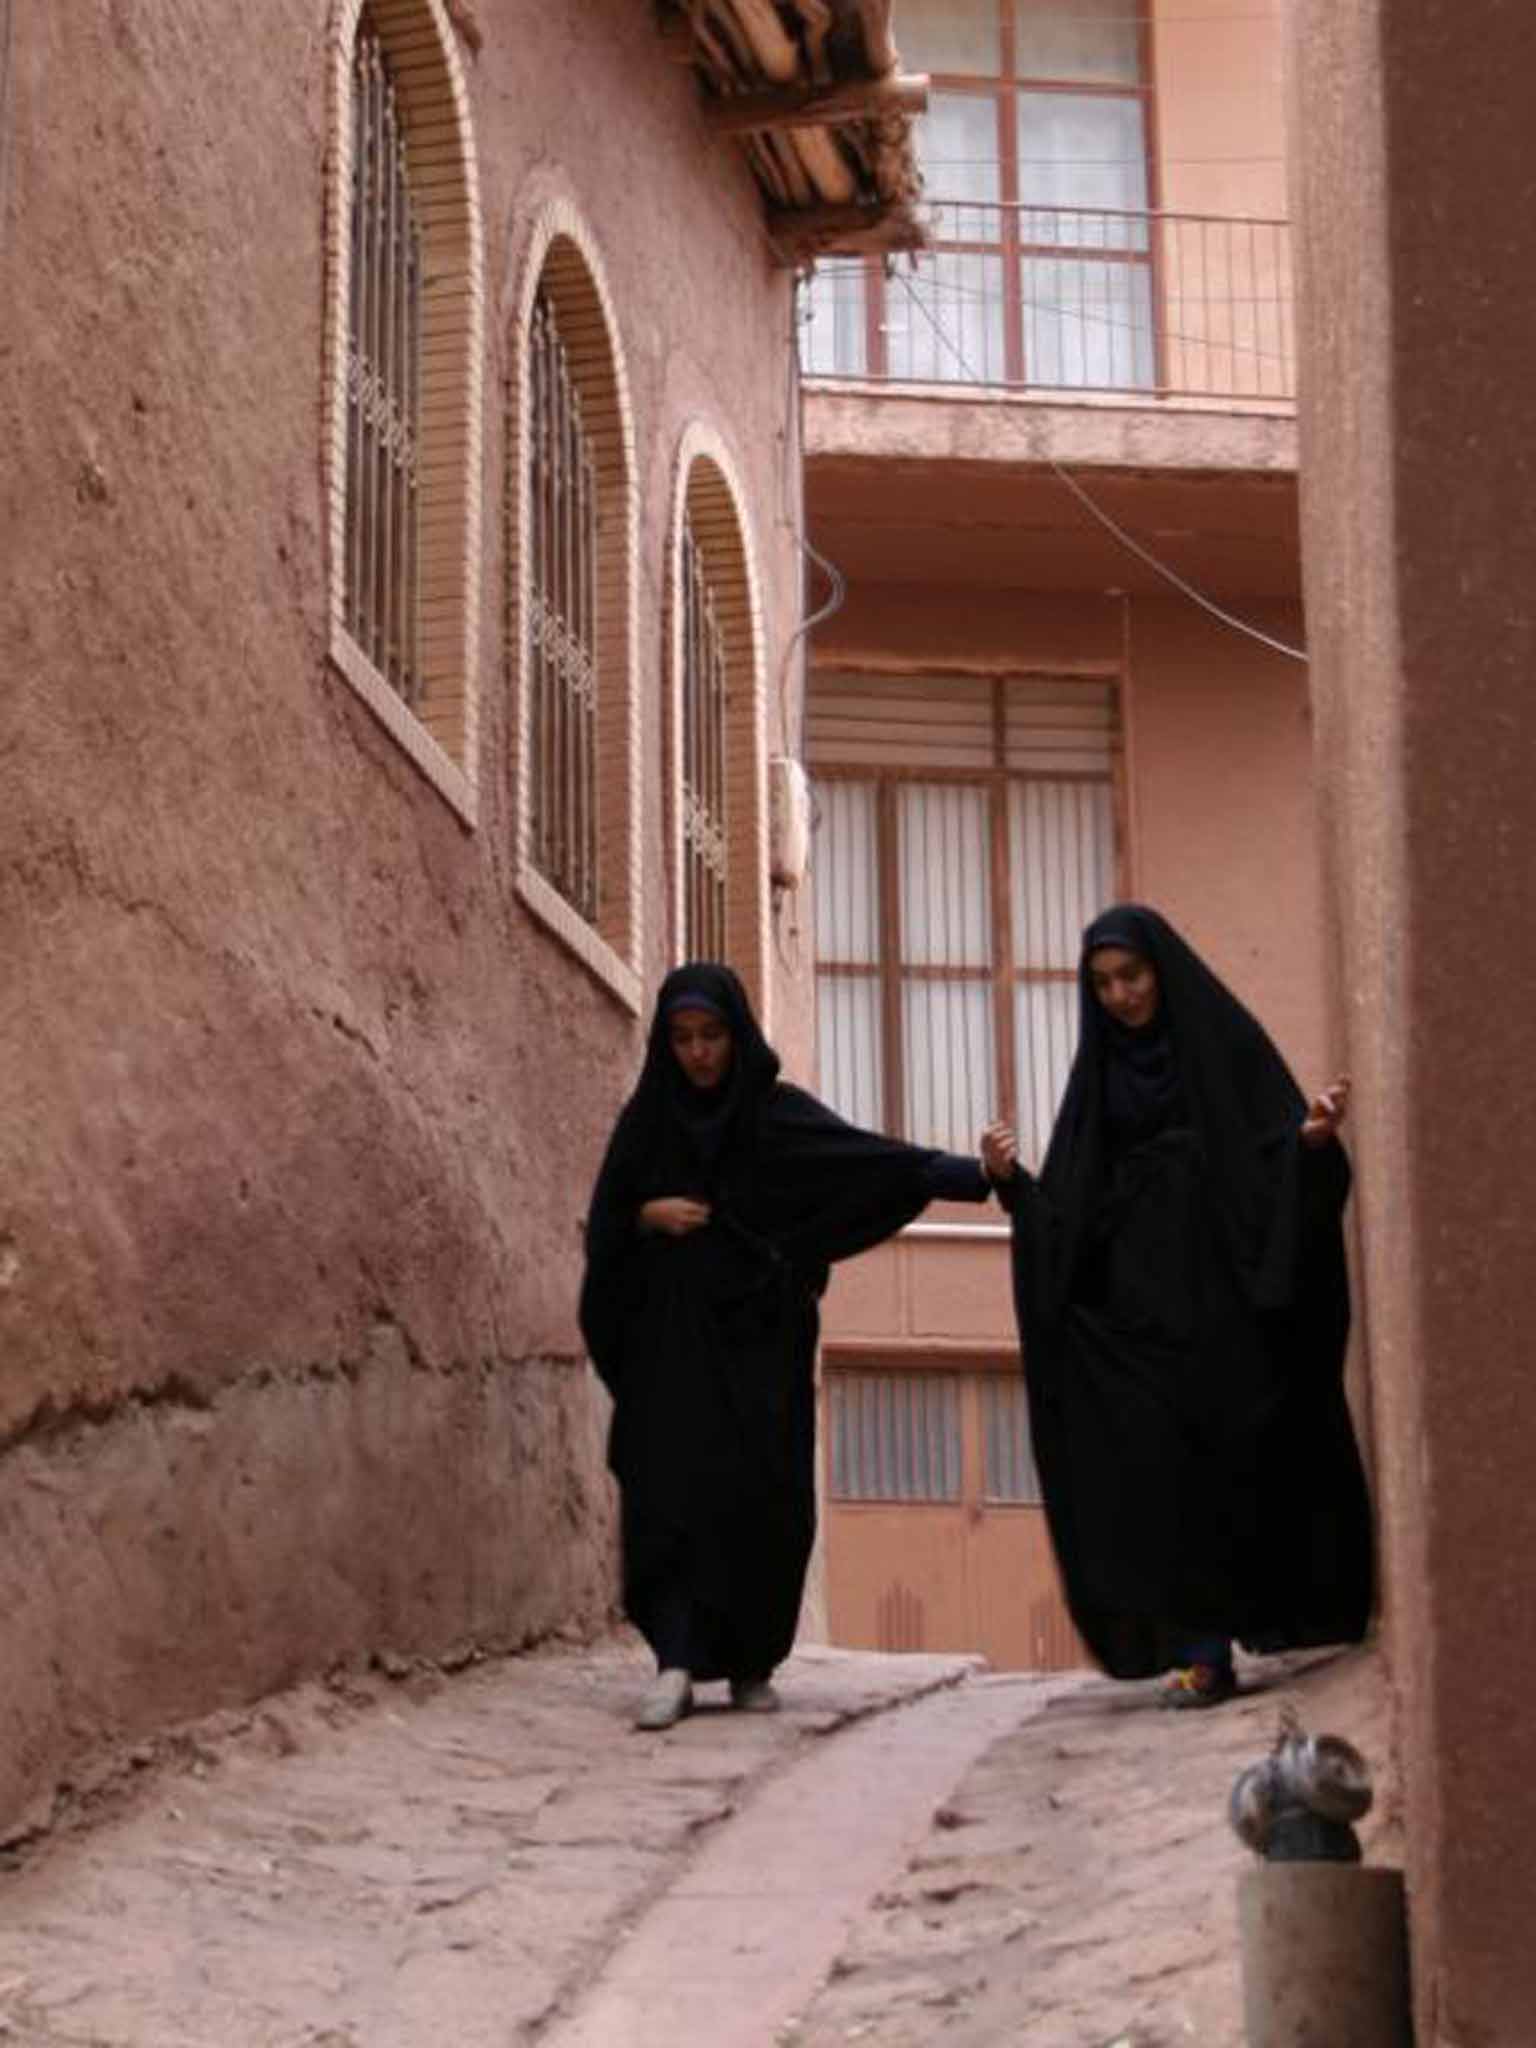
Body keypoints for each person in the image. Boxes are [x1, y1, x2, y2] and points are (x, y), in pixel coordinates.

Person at [581, 962, 994, 1730]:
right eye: (683, 1039)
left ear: (738, 1037)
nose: (699, 1054)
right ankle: (674, 1660)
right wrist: (648, 1217)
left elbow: (872, 1165)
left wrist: (978, 1177)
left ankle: (748, 1661)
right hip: (674, 1349)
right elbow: (604, 1232)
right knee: (669, 1491)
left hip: (760, 1350)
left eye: (712, 1037)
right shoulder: (649, 1126)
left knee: (761, 1496)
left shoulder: (777, 1120)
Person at [980, 905, 1373, 1707]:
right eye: (1104, 984)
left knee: (1242, 1457)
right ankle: (1203, 1651)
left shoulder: (1222, 1045)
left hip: (1228, 1297)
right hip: (1138, 1308)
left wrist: (1311, 1145)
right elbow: (1070, 1207)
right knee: (1162, 1473)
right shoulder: (1097, 1083)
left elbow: (1276, 1149)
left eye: (1133, 976)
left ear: (1163, 969)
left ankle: (1262, 1614)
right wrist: (1010, 1183)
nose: (1122, 996)